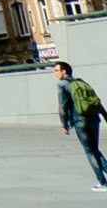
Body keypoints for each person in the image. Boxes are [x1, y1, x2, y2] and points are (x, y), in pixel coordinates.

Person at [55, 61, 107, 190]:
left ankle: (102, 182)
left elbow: (62, 106)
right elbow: (97, 101)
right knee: (94, 149)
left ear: (64, 71)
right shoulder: (82, 82)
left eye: (56, 70)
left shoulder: (62, 85)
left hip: (80, 122)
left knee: (90, 151)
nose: (55, 73)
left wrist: (64, 124)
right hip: (94, 119)